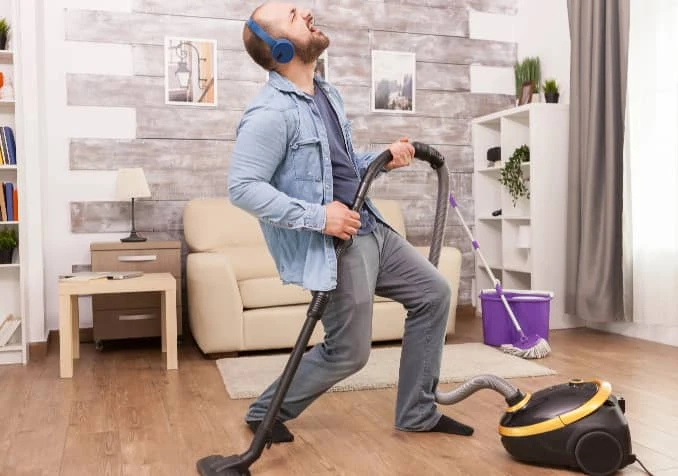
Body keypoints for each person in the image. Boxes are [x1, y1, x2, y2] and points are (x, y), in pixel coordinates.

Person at [228, 2, 473, 443]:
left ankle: (417, 412)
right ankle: (266, 410)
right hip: (336, 243)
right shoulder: (269, 113)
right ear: (280, 47)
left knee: (434, 293)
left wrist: (384, 158)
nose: (304, 12)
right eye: (291, 15)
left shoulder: (327, 94)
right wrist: (318, 217)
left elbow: (341, 167)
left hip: (369, 225)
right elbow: (243, 187)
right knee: (349, 352)